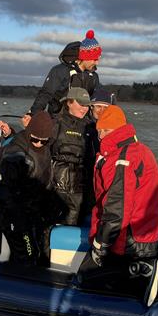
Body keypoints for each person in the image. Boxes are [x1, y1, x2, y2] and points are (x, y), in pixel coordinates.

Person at [78, 106, 158, 305]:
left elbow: (117, 208)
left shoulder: (121, 158)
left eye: (106, 130)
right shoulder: (141, 150)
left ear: (118, 130)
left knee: (87, 279)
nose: (101, 136)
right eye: (99, 131)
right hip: (144, 233)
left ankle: (151, 275)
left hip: (127, 238)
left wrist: (100, 245)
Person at [0, 111, 63, 267]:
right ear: (29, 132)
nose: (38, 144)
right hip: (15, 213)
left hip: (34, 212)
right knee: (27, 253)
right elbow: (5, 189)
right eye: (34, 139)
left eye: (43, 141)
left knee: (38, 253)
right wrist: (18, 216)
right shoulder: (15, 152)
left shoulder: (46, 147)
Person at [25, 29, 102, 122]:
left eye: (98, 59)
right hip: (58, 121)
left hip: (83, 123)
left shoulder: (94, 76)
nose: (97, 63)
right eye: (94, 59)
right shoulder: (60, 71)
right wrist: (33, 115)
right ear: (84, 57)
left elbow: (97, 100)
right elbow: (45, 94)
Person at [50, 86, 97, 225]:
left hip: (83, 187)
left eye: (87, 105)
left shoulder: (92, 127)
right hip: (57, 185)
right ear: (69, 102)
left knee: (79, 222)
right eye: (81, 104)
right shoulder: (55, 123)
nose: (84, 108)